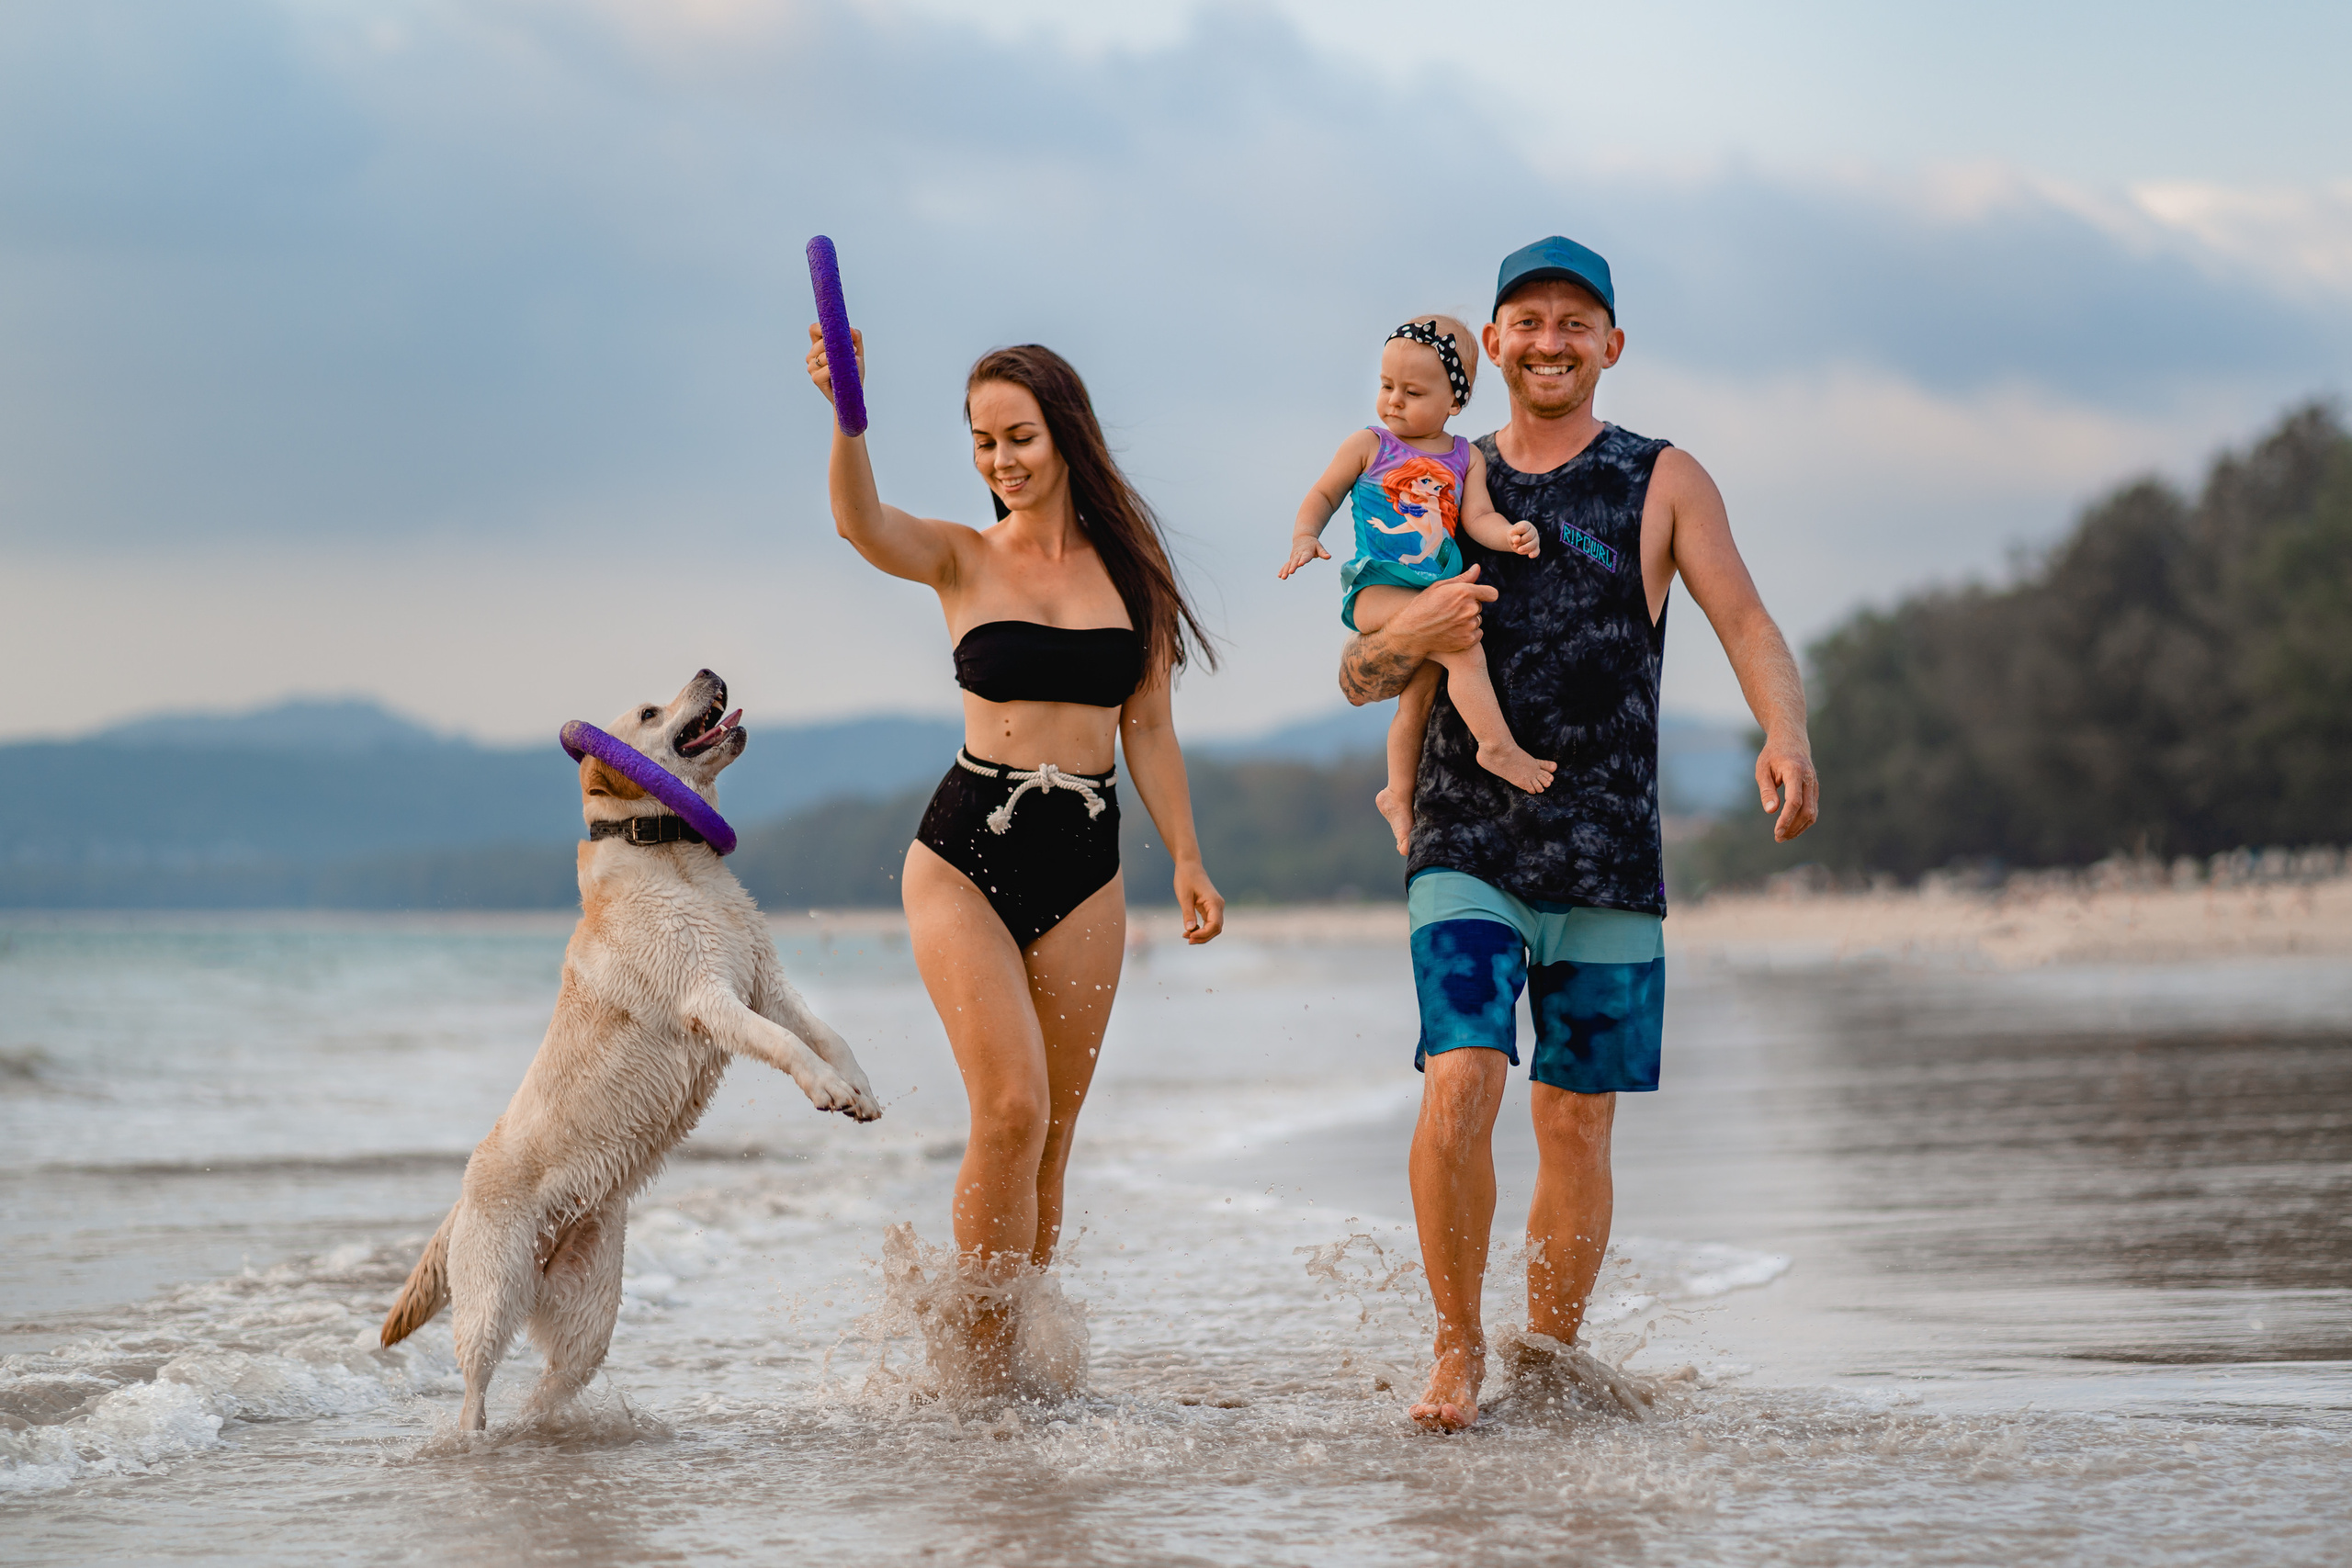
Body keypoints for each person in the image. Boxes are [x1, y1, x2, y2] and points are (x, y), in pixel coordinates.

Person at [1335, 237, 1819, 1432]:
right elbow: (1357, 670)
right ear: (1490, 343)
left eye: (1575, 319)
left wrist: (1785, 731)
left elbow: (1748, 618)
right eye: (1527, 318)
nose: (1550, 338)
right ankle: (1456, 1347)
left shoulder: (1664, 480)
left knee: (1577, 1116)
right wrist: (1417, 629)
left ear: (1612, 343)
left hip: (1608, 850)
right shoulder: (1426, 475)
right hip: (1465, 836)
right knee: (1463, 1073)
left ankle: (1548, 1349)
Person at [807, 329, 1226, 1387]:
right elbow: (859, 524)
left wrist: (1187, 858)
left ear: (1066, 435)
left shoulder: (1133, 573)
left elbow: (1149, 729)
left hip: (1087, 853)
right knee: (1009, 1110)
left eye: (1020, 437)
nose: (1000, 461)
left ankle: (1019, 1365)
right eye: (983, 442)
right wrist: (847, 415)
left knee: (1054, 1134)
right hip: (965, 850)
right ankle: (973, 1369)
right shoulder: (960, 554)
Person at [1279, 315, 1550, 853]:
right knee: (1462, 648)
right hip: (1377, 587)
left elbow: (1477, 519)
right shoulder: (1369, 444)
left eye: (1412, 391)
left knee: (1420, 695)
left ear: (1455, 400)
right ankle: (1496, 746)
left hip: (1432, 588)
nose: (1394, 402)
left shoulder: (1464, 457)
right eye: (1386, 386)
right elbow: (1324, 493)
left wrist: (1511, 535)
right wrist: (1305, 535)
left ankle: (1398, 796)